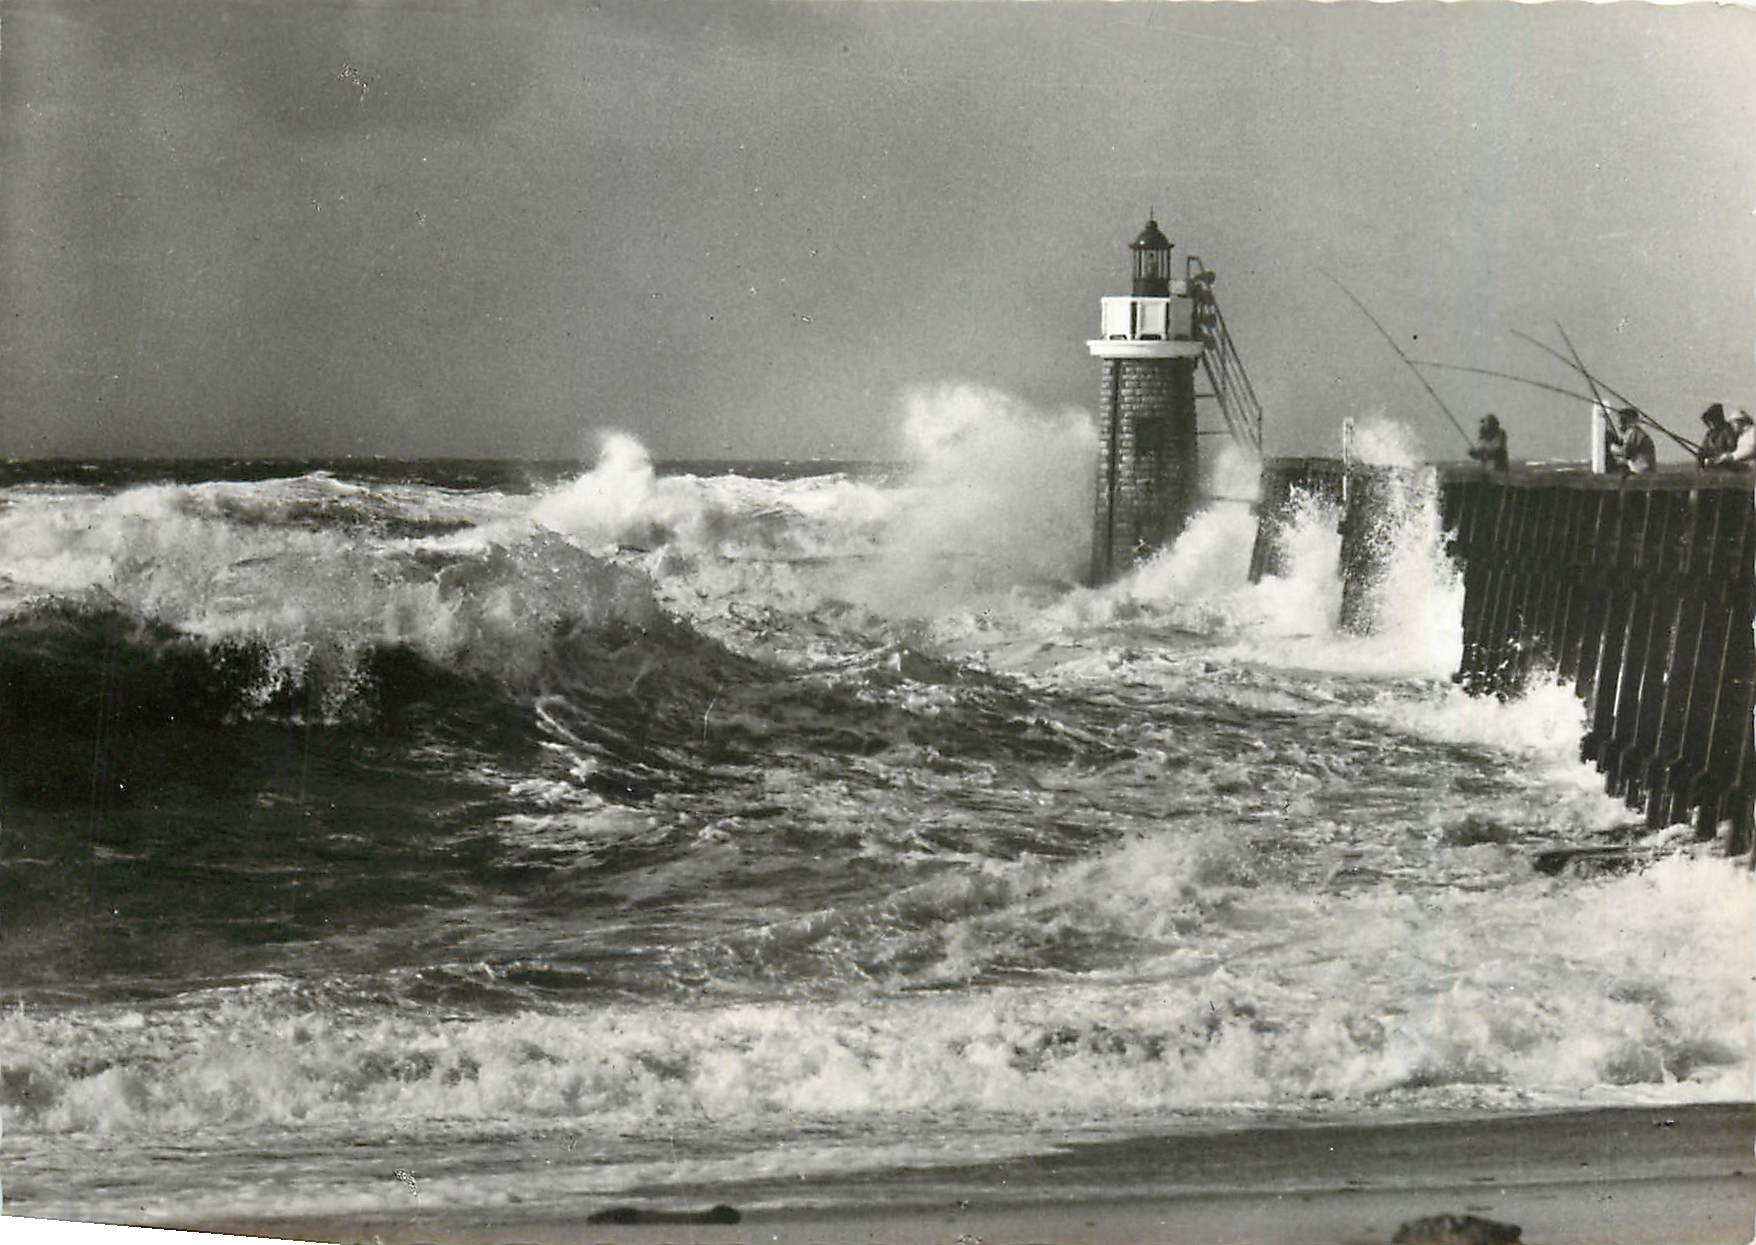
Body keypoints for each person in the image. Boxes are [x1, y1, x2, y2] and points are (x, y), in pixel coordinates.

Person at [1608, 406, 1656, 474]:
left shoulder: (1634, 432)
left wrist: (1613, 448)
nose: (1618, 424)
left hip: (1642, 472)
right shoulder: (1634, 433)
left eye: (1622, 420)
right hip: (1641, 470)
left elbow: (1628, 453)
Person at [1696, 403, 1739, 467]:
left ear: (1717, 419)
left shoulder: (1728, 431)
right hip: (1711, 468)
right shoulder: (1710, 434)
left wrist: (1717, 459)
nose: (1710, 423)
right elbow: (1703, 449)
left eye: (1712, 420)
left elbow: (1732, 450)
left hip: (1726, 468)